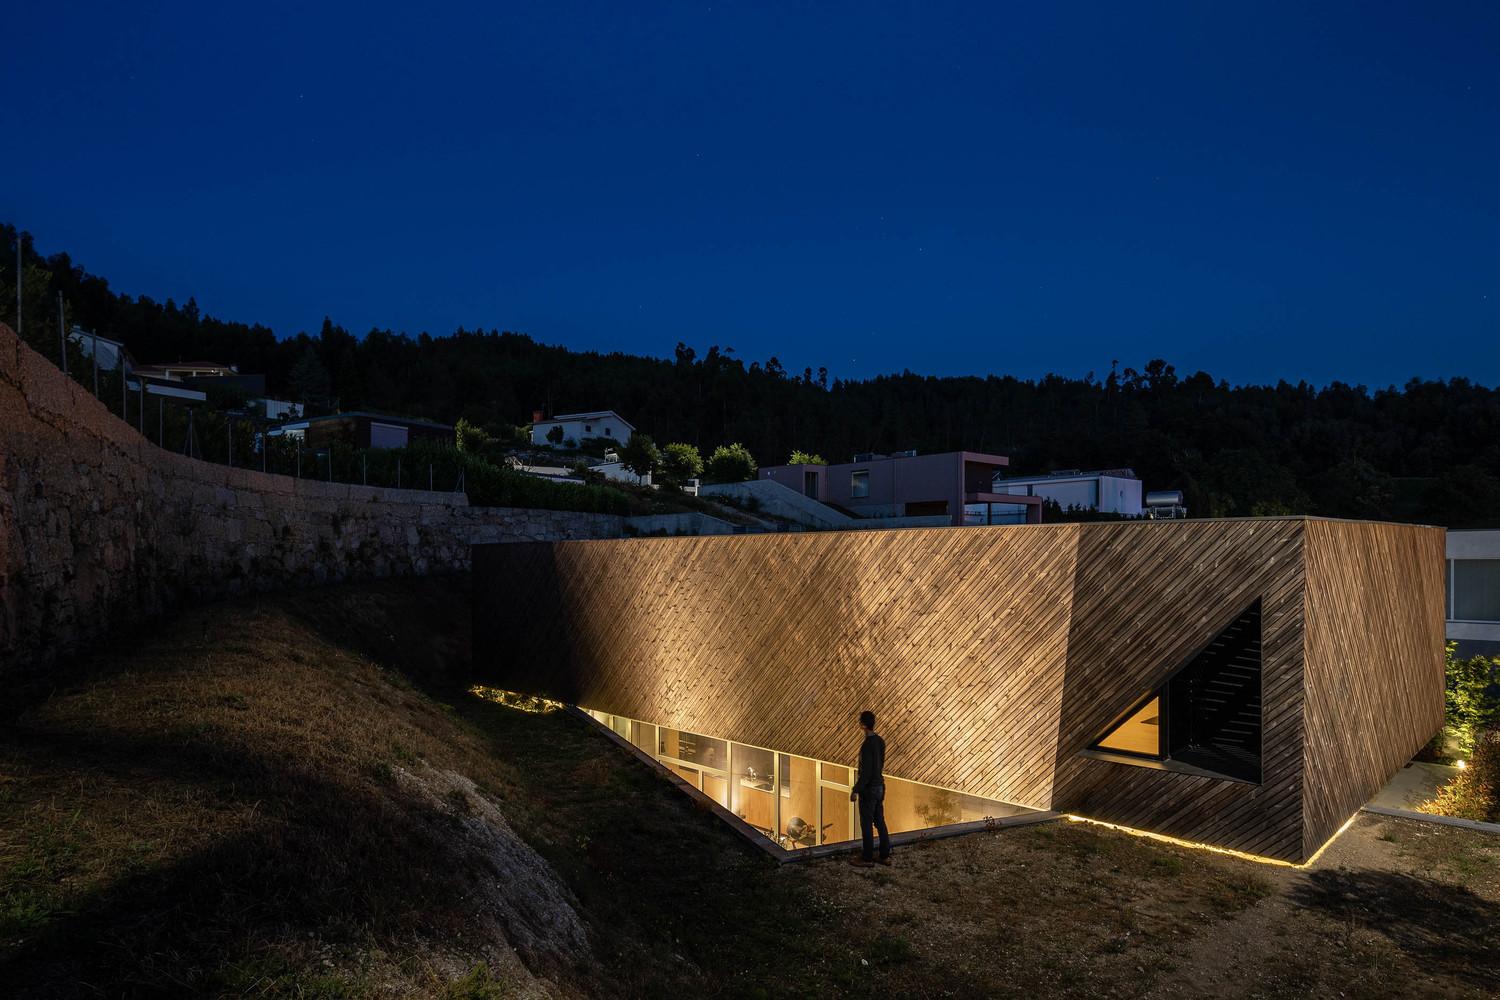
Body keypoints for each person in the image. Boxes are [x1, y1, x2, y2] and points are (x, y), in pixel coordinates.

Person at [849, 710, 891, 866]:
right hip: (880, 786)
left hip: (869, 789)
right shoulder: (880, 741)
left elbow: (866, 772)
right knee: (880, 821)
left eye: (860, 721)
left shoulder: (867, 745)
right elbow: (879, 765)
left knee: (866, 824)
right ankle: (884, 855)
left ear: (863, 725)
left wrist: (856, 790)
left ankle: (867, 857)